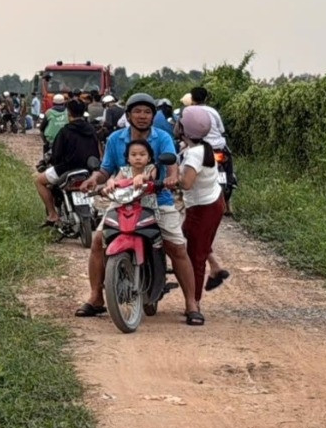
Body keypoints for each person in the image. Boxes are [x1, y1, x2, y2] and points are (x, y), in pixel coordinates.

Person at [76, 93, 204, 326]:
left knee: (176, 246)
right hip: (124, 200)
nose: (142, 116)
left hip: (158, 200)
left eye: (147, 112)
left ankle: (191, 303)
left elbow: (172, 166)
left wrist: (172, 179)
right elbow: (105, 170)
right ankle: (96, 297)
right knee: (97, 241)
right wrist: (95, 180)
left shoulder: (163, 137)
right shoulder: (115, 139)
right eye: (137, 111)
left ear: (153, 116)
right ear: (128, 115)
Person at [178, 106, 228, 309]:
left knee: (195, 256)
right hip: (213, 202)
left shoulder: (193, 155)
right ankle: (215, 267)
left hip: (202, 208)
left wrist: (171, 180)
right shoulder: (203, 147)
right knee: (187, 233)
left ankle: (194, 302)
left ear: (183, 129)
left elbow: (186, 183)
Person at [35, 99, 102, 225]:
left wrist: (52, 162)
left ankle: (52, 214)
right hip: (88, 169)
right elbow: (98, 149)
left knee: (39, 181)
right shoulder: (92, 129)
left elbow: (56, 154)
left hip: (66, 169)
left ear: (68, 113)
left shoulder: (65, 131)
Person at [189, 86, 237, 217]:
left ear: (192, 98)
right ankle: (230, 187)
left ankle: (184, 192)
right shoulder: (213, 111)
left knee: (185, 162)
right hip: (218, 146)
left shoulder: (189, 111)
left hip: (200, 148)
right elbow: (221, 130)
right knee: (229, 167)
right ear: (206, 98)